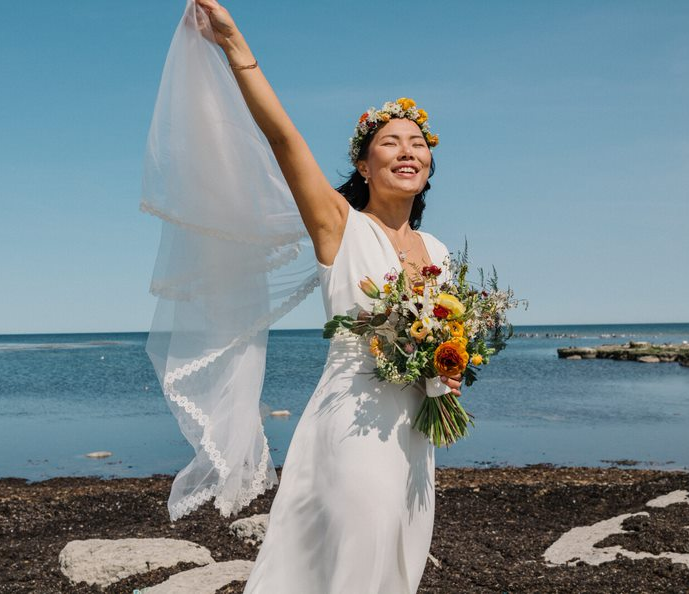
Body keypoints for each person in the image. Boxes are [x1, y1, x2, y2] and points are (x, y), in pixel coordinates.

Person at [145, 1, 463, 591]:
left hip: (415, 433)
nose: (407, 152)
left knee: (401, 560)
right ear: (364, 165)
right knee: (353, 564)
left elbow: (444, 340)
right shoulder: (339, 225)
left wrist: (449, 369)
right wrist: (236, 47)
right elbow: (283, 137)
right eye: (390, 142)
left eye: (417, 143)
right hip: (353, 420)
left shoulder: (439, 252)